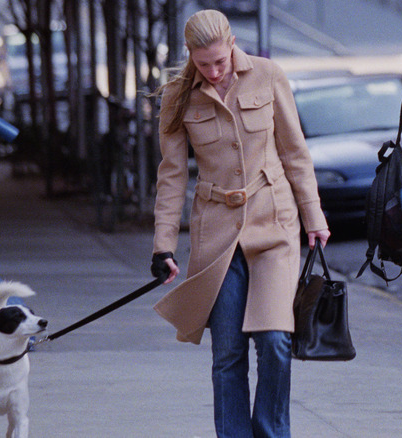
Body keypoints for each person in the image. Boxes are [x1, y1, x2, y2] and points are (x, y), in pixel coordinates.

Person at [149, 9, 330, 438]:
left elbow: (295, 153)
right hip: (217, 236)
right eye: (202, 63)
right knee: (227, 354)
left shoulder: (268, 75)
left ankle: (271, 432)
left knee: (275, 342)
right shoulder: (178, 98)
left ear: (232, 44)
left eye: (219, 61)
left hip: (274, 226)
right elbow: (171, 176)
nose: (212, 72)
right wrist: (163, 246)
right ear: (190, 55)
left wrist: (314, 218)